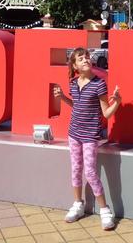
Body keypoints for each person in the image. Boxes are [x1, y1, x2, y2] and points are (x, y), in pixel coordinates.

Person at [53, 47, 121, 230]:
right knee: (76, 169)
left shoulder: (99, 84)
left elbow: (106, 113)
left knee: (90, 172)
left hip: (90, 135)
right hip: (74, 133)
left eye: (87, 57)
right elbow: (77, 105)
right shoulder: (73, 83)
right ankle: (78, 205)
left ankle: (105, 210)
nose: (85, 60)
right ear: (75, 66)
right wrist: (63, 98)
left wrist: (117, 102)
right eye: (81, 58)